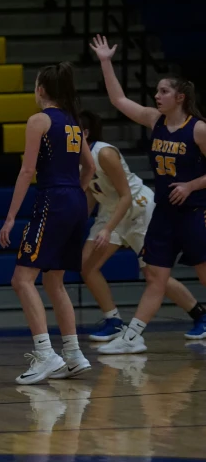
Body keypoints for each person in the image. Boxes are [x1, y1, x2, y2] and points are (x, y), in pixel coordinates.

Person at [90, 35, 206, 354]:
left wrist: (191, 185)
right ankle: (133, 337)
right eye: (157, 91)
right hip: (164, 214)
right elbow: (118, 100)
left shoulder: (198, 129)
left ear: (179, 97)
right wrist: (105, 61)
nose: (157, 95)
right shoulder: (154, 121)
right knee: (155, 276)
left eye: (163, 91)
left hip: (194, 214)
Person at [0, 62, 95, 385]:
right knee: (54, 282)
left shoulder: (39, 120)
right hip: (76, 202)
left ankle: (45, 354)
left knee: (21, 279)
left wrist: (11, 217)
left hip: (52, 199)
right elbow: (90, 167)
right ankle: (74, 354)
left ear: (41, 89)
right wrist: (74, 195)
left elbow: (27, 172)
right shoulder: (73, 122)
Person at [79, 110, 206, 341]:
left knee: (154, 274)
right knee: (87, 265)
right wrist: (77, 222)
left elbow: (125, 196)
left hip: (137, 207)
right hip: (111, 211)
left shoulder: (104, 153)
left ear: (85, 133)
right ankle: (114, 321)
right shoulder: (74, 158)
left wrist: (107, 229)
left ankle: (199, 314)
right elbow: (91, 192)